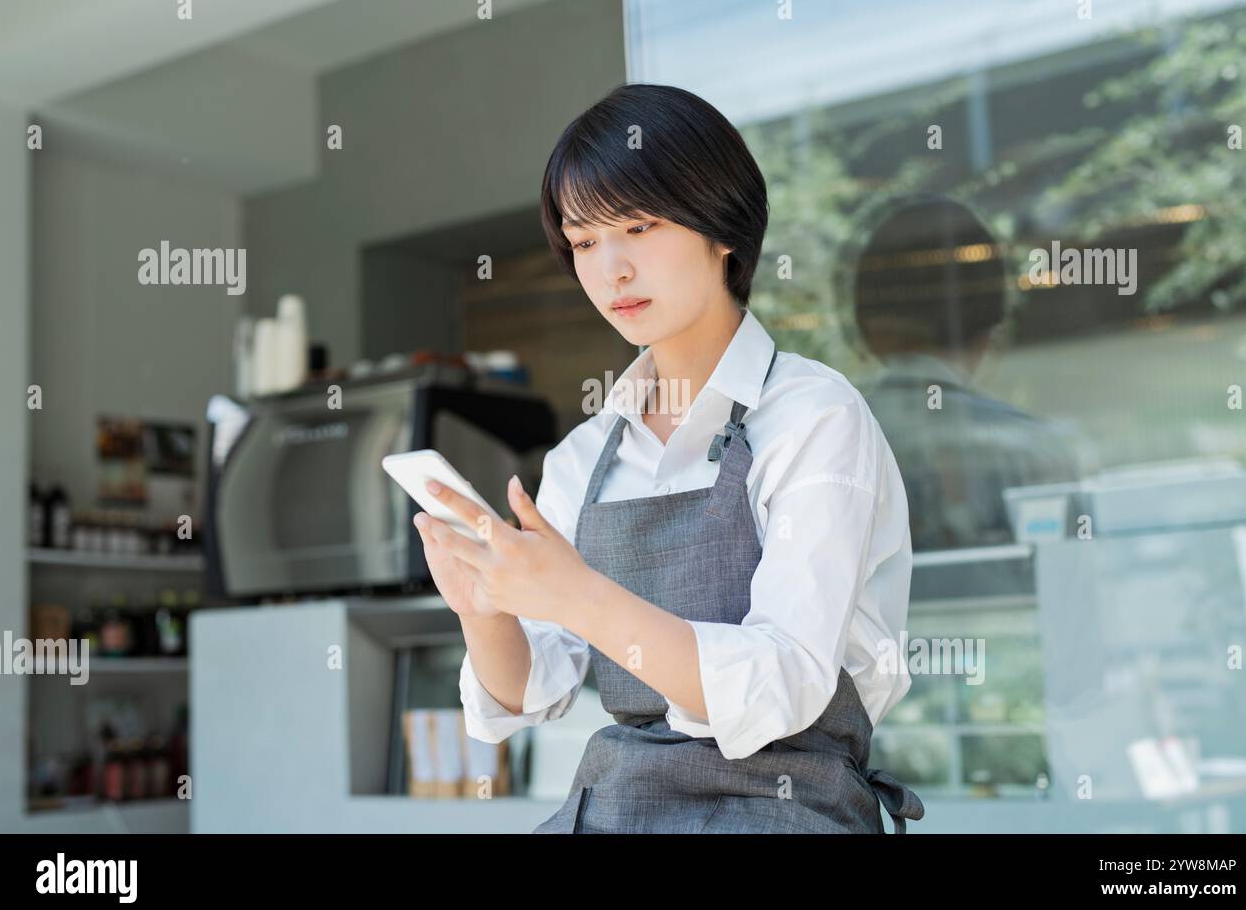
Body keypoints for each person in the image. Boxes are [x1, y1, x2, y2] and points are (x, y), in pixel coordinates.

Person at [414, 84, 923, 833]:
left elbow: (785, 680)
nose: (609, 268)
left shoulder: (814, 416)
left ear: (723, 227)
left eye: (638, 226)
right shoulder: (583, 457)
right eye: (583, 242)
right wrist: (482, 609)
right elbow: (531, 692)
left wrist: (579, 594)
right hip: (617, 806)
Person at [850, 196, 1085, 550]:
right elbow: (1067, 582)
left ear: (869, 329)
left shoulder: (827, 443)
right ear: (991, 327)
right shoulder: (1039, 449)